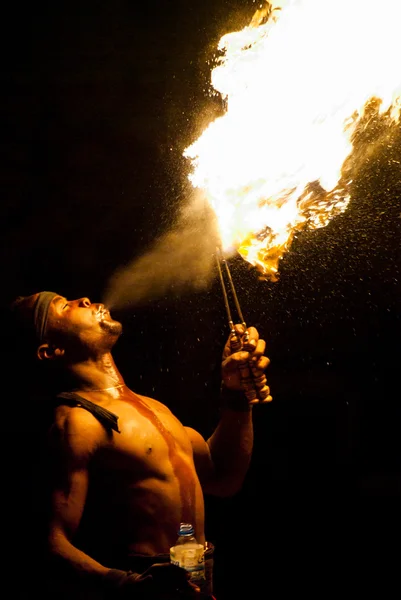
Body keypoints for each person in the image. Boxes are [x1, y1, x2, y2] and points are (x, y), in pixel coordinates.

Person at [10, 291, 271, 599]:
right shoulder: (78, 423)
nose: (83, 299)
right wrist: (130, 586)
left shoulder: (155, 408)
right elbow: (50, 543)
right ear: (50, 350)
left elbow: (223, 477)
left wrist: (237, 393)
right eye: (64, 307)